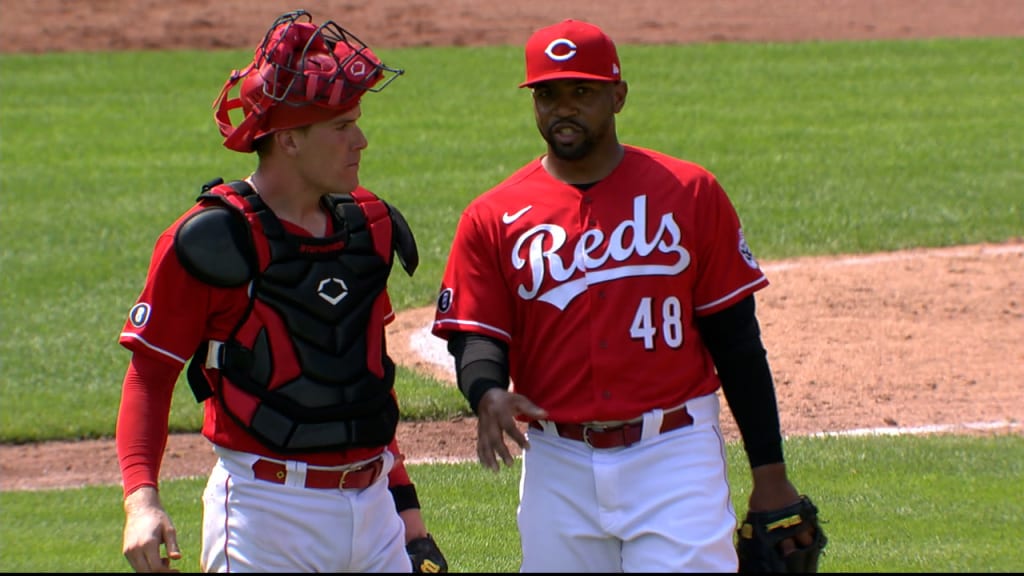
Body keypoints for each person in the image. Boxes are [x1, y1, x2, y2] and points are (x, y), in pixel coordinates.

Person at [431, 18, 818, 572]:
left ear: (618, 96)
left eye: (581, 92)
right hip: (557, 463)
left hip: (674, 454)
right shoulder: (493, 216)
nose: (563, 108)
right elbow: (476, 334)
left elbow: (736, 341)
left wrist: (770, 476)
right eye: (548, 95)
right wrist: (486, 391)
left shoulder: (688, 193)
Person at [116, 10, 446, 573]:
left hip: (374, 515)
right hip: (265, 516)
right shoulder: (211, 240)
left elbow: (362, 378)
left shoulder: (369, 226)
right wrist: (141, 499)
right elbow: (150, 372)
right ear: (289, 139)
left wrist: (408, 512)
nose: (360, 141)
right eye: (342, 126)